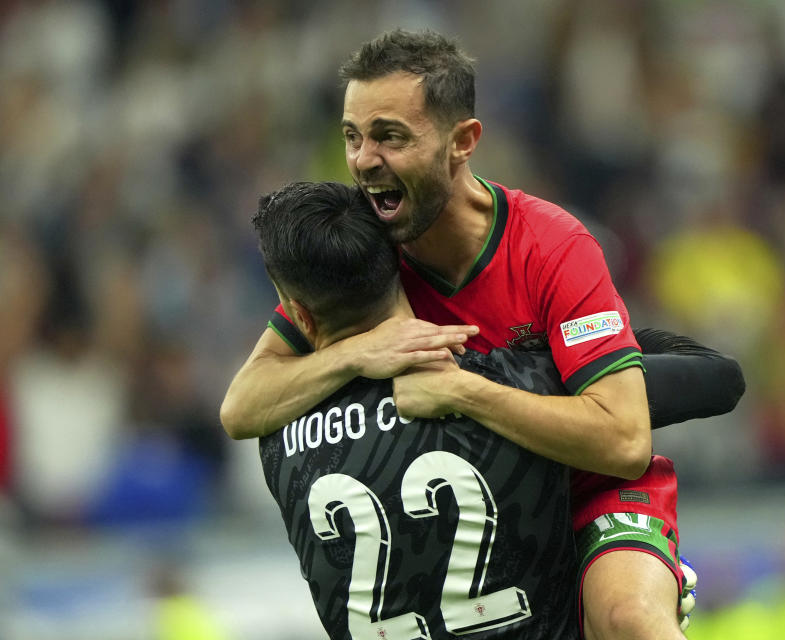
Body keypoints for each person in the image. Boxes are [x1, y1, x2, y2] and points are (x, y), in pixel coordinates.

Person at [222, 30, 745, 640]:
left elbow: (625, 442)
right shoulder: (368, 248)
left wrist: (463, 392)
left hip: (588, 494)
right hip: (493, 516)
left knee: (628, 620)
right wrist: (360, 352)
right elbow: (243, 405)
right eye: (352, 136)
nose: (364, 159)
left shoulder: (552, 245)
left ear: (462, 142)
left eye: (390, 136)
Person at [254, 181, 582, 639]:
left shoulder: (277, 441)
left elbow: (241, 408)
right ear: (402, 267)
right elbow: (695, 383)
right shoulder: (510, 380)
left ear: (300, 317)